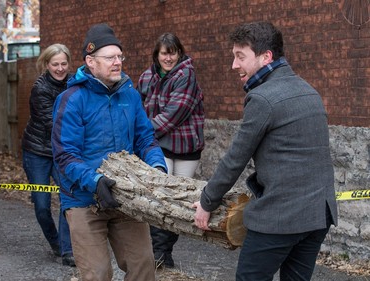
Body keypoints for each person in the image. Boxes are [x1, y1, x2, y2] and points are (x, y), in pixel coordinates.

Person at [193, 21, 338, 281]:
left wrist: (206, 202)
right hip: (318, 214)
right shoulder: (310, 91)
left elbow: (235, 159)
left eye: (240, 57)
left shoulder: (263, 98)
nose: (234, 65)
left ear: (266, 57)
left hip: (281, 217)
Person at [51, 23, 167, 281]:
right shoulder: (72, 99)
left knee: (143, 266)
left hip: (124, 195)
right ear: (90, 62)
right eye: (110, 58)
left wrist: (157, 168)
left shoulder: (130, 94)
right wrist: (95, 181)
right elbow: (65, 155)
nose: (118, 62)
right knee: (98, 273)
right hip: (83, 199)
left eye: (120, 57)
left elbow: (145, 138)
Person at [137, 32, 204, 268]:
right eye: (164, 53)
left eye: (173, 52)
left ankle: (165, 251)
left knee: (178, 202)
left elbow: (174, 114)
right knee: (159, 198)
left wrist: (143, 131)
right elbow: (138, 108)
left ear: (179, 52)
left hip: (186, 147)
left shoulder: (187, 75)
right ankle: (158, 253)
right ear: (157, 54)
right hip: (160, 146)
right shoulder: (147, 77)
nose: (169, 58)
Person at [21, 43, 75, 267]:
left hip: (61, 152)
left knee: (68, 198)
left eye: (64, 63)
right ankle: (55, 241)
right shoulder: (40, 89)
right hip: (38, 152)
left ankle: (67, 249)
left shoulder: (74, 84)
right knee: (42, 205)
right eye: (55, 64)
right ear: (46, 64)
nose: (60, 68)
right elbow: (54, 125)